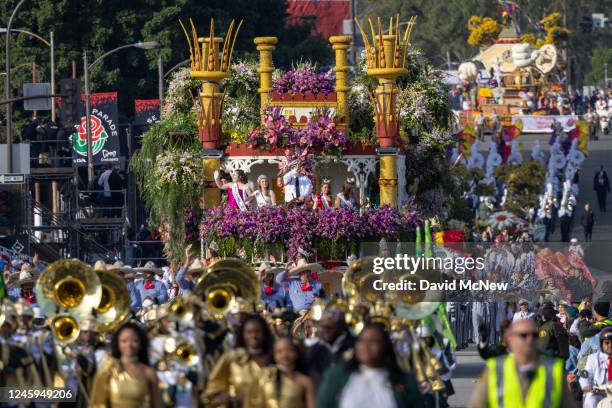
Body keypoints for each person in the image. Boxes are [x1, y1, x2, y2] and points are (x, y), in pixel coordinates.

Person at [467, 319, 574, 408]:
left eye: (534, 335)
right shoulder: (495, 369)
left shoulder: (553, 368)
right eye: (523, 335)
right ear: (511, 338)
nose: (530, 339)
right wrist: (483, 340)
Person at [316, 323, 424, 408]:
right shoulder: (335, 376)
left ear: (384, 346)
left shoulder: (405, 380)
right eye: (362, 340)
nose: (366, 346)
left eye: (373, 341)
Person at [204, 314, 274, 407]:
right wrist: (226, 397)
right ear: (242, 334)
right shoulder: (232, 358)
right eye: (249, 332)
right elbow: (213, 388)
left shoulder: (275, 358)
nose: (254, 336)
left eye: (258, 331)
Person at [90, 321, 163, 408]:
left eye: (134, 341)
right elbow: (98, 404)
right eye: (124, 341)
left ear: (141, 344)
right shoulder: (108, 370)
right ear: (118, 343)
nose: (129, 345)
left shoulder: (149, 373)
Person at [304, 308, 356, 388]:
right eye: (323, 326)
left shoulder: (355, 346)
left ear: (341, 326)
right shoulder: (314, 350)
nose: (325, 331)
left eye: (330, 327)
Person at [258, 337, 316, 408]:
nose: (285, 355)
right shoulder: (265, 377)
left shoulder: (306, 382)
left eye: (289, 350)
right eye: (279, 351)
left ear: (296, 353)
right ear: (273, 355)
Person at [579, 327, 612, 408]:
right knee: (591, 400)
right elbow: (585, 375)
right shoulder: (592, 358)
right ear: (601, 344)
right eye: (607, 343)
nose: (610, 345)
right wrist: (586, 386)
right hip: (598, 393)